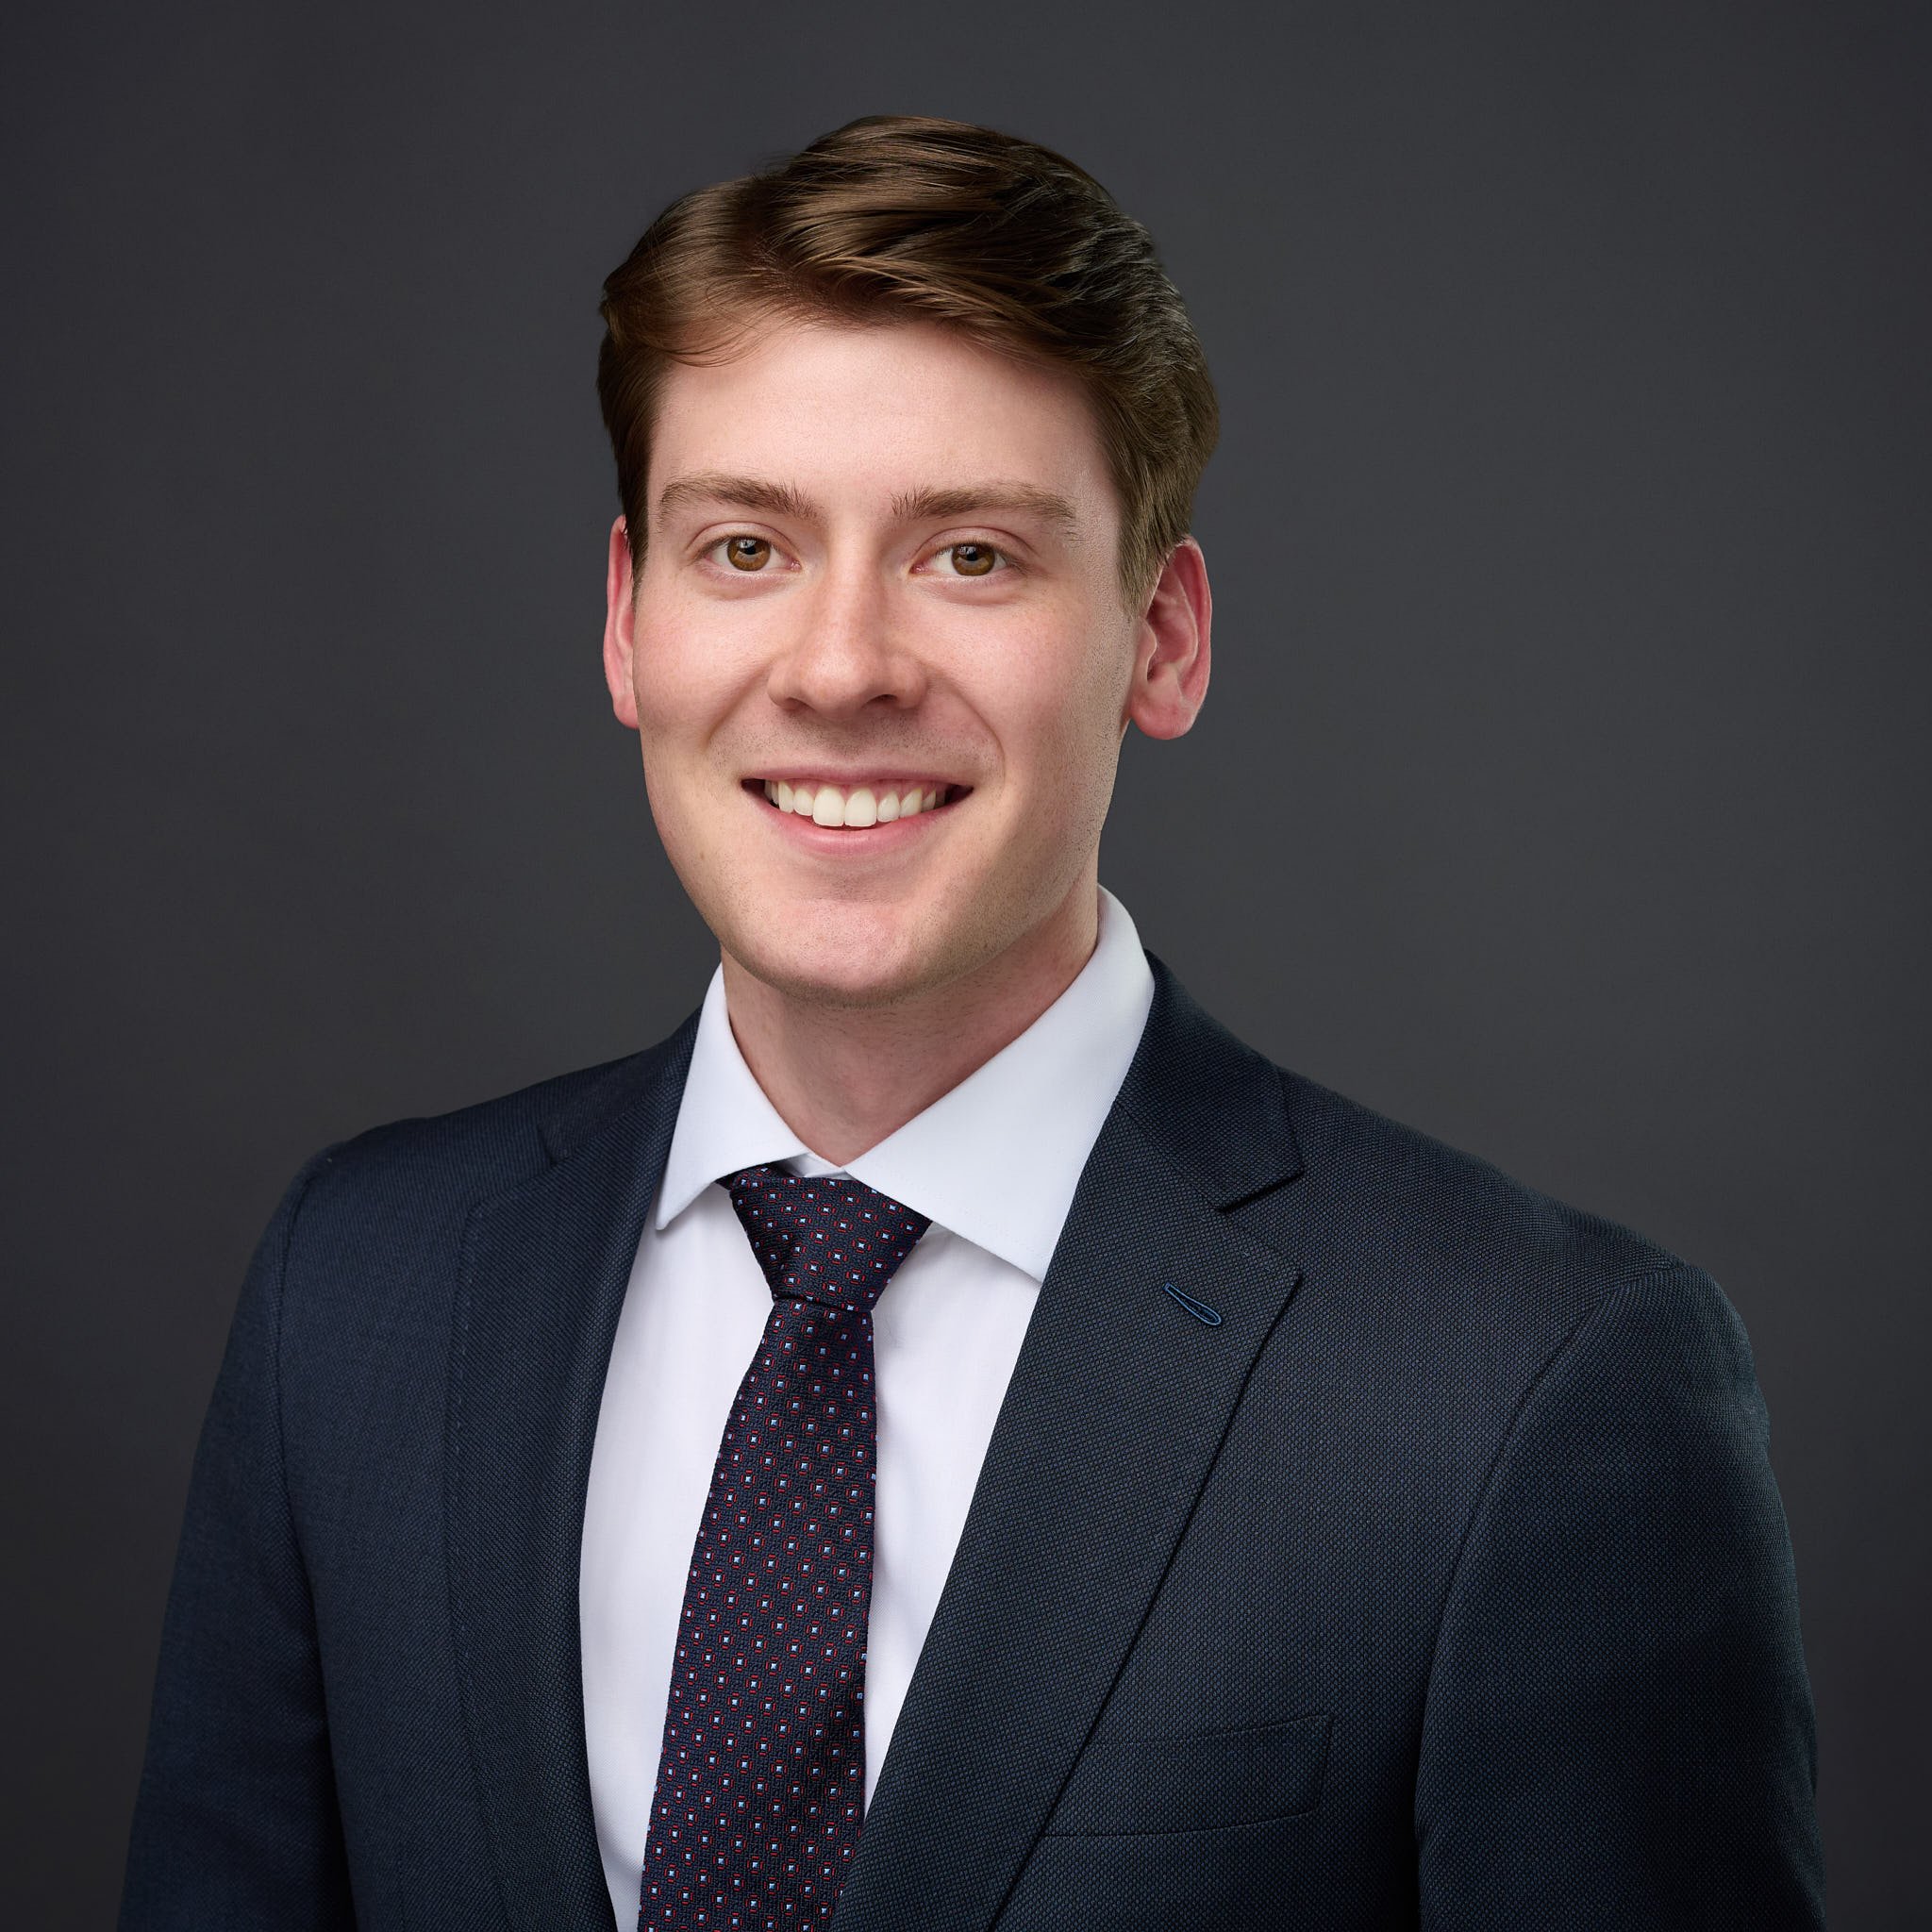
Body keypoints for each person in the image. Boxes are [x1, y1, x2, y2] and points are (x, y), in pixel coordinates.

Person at [119, 114, 1824, 1931]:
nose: (843, 666)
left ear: (1160, 636)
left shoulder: (1527, 1388)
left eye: (974, 557)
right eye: (749, 547)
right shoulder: (359, 1292)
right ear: (628, 624)